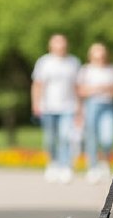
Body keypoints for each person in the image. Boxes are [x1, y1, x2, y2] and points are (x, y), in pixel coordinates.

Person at [31, 34, 81, 183]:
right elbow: (37, 84)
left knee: (66, 136)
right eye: (57, 43)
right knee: (50, 138)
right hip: (48, 107)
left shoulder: (73, 62)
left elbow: (77, 86)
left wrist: (79, 106)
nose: (60, 47)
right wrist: (35, 104)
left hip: (68, 107)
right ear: (51, 46)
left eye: (63, 43)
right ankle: (52, 164)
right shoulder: (44, 62)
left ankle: (66, 166)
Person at [77, 43, 113, 183]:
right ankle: (92, 167)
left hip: (108, 106)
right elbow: (81, 91)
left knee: (107, 138)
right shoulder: (85, 70)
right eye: (97, 54)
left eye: (102, 54)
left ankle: (104, 163)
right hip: (91, 105)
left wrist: (106, 89)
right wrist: (98, 89)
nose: (100, 57)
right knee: (92, 137)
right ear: (91, 55)